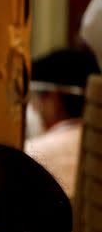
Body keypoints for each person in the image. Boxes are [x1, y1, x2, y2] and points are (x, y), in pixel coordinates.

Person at [24, 48, 99, 198]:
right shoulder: (96, 146)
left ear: (54, 99)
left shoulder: (32, 154)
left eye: (38, 97)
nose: (34, 107)